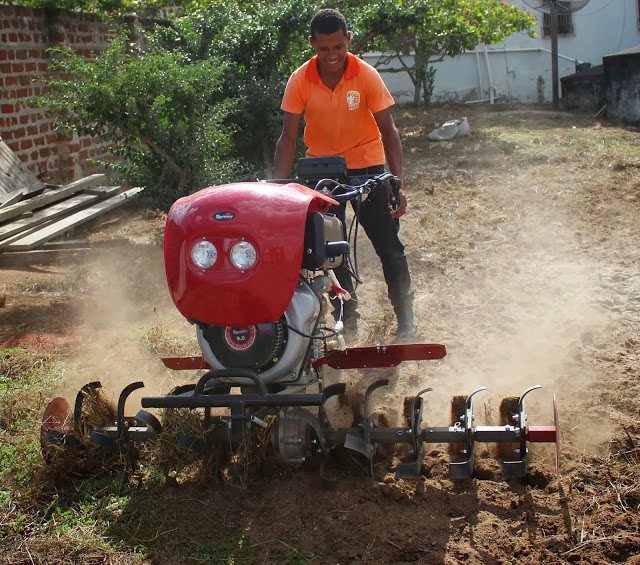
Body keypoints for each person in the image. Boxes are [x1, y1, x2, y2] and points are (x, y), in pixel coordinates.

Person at [273, 8, 417, 339]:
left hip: (369, 170)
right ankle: (346, 321)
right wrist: (280, 189)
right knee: (329, 252)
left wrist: (397, 181)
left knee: (389, 246)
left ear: (347, 39)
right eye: (324, 48)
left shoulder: (365, 75)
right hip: (323, 174)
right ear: (312, 44)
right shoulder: (300, 80)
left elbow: (389, 130)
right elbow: (287, 138)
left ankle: (406, 319)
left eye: (338, 46)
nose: (332, 55)